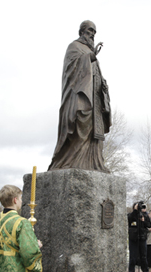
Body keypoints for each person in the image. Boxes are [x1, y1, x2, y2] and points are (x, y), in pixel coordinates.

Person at [48, 20, 111, 172]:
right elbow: (70, 69)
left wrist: (103, 86)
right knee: (81, 124)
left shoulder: (91, 52)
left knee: (95, 131)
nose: (92, 35)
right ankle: (71, 161)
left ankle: (94, 164)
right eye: (90, 31)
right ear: (82, 31)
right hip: (80, 97)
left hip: (95, 99)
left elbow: (96, 75)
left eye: (94, 32)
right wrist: (89, 57)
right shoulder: (74, 47)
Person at [128, 202, 151, 272]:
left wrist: (143, 221)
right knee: (133, 257)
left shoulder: (145, 215)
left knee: (143, 256)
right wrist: (135, 211)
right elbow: (129, 220)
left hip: (142, 238)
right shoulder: (131, 215)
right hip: (133, 239)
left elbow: (149, 225)